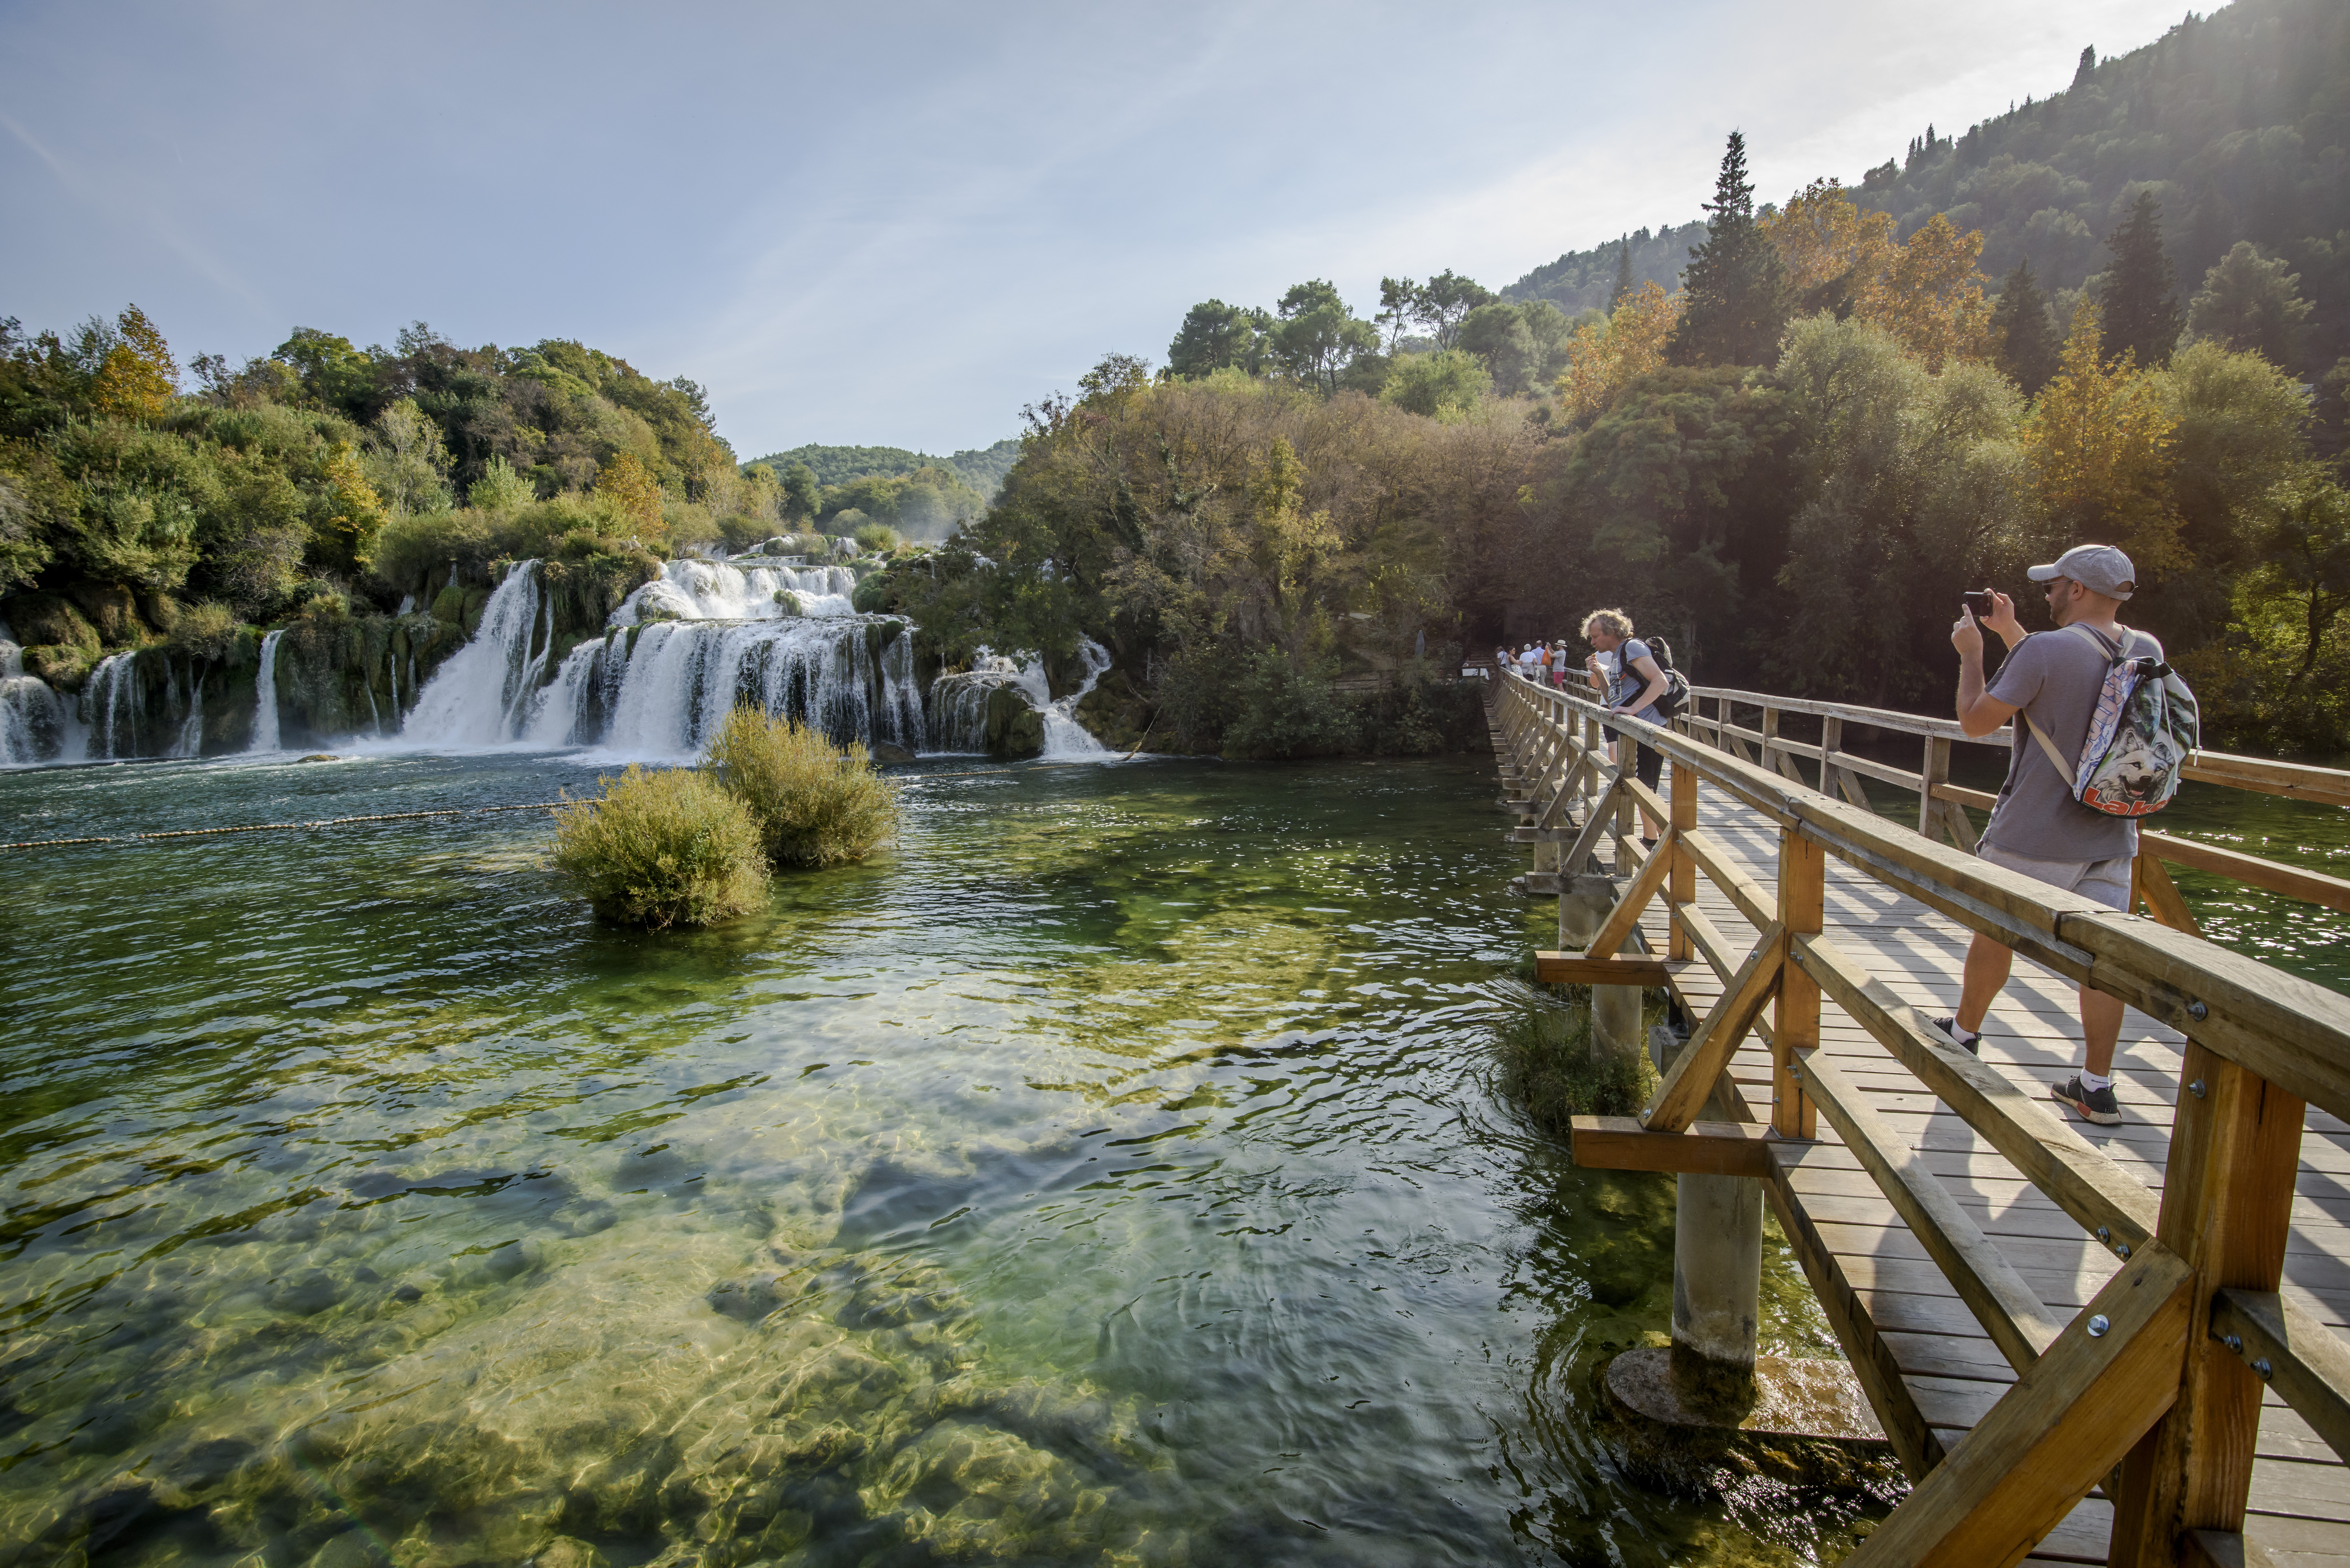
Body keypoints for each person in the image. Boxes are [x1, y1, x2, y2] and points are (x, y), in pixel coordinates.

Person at [1941, 544, 2160, 1127]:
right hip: (2114, 835)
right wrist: (2013, 630)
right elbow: (2071, 686)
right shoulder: (2145, 648)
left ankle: (1963, 1036)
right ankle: (2095, 1086)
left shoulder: (2045, 650)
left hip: (2034, 833)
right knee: (2104, 961)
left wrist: (1973, 654)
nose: (2047, 592)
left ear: (2080, 590)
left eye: (2054, 584)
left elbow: (1975, 721)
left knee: (1995, 932)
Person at [1580, 608, 1669, 847]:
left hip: (1648, 731)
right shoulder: (1620, 654)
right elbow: (1615, 703)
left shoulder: (1633, 648)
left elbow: (1660, 681)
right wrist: (1599, 673)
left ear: (1611, 632)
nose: (1593, 641)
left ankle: (1663, 840)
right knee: (1640, 787)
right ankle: (1658, 837)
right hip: (1635, 732)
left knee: (1644, 788)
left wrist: (1633, 710)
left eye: (1596, 636)